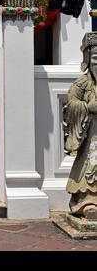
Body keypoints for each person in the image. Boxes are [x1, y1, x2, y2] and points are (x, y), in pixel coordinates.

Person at [65, 32, 97, 220]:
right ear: (87, 60)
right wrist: (87, 107)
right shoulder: (82, 83)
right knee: (90, 165)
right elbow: (71, 103)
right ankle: (88, 202)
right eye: (95, 58)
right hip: (91, 132)